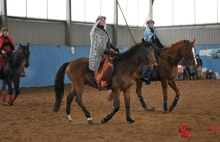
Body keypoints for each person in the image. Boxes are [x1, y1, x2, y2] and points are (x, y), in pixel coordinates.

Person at [89, 16, 119, 90]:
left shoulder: (104, 31)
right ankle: (103, 82)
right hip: (99, 53)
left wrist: (115, 48)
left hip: (107, 51)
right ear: (98, 21)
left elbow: (108, 42)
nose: (104, 21)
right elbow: (99, 45)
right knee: (108, 65)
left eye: (104, 20)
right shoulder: (95, 31)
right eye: (102, 20)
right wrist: (108, 50)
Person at [139, 19, 164, 84]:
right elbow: (146, 40)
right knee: (152, 58)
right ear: (147, 25)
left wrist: (162, 47)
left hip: (156, 46)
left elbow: (158, 41)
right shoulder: (146, 32)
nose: (150, 24)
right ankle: (146, 76)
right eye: (149, 23)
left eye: (151, 23)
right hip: (150, 47)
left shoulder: (155, 32)